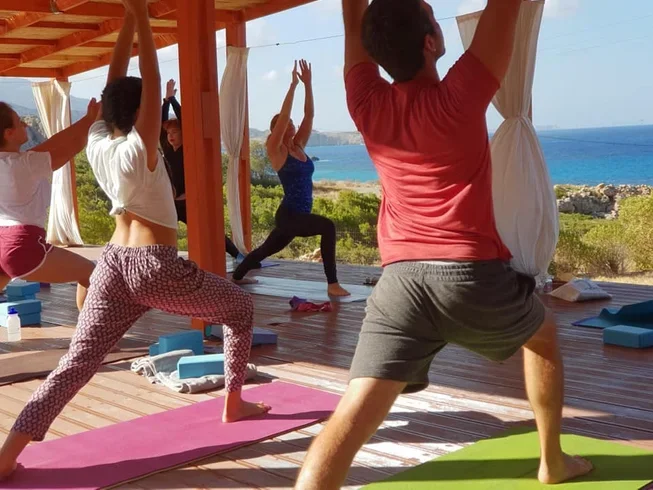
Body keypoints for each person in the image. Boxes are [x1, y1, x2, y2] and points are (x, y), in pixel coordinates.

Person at [294, 0, 594, 488]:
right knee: (542, 337)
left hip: (399, 284)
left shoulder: (365, 101)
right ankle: (553, 462)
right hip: (470, 277)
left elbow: (352, 20)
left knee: (349, 418)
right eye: (432, 14)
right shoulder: (459, 93)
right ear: (431, 42)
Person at [0, 0, 269, 480]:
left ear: (108, 112)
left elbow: (115, 81)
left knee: (76, 363)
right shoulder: (138, 148)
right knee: (240, 309)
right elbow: (145, 73)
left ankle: (7, 453)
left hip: (112, 264)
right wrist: (143, 18)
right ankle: (234, 402)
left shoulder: (99, 142)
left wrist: (128, 20)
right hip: (154, 265)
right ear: (145, 112)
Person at [231, 60, 350, 297]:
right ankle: (333, 284)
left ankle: (236, 277)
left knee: (265, 250)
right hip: (290, 215)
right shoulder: (277, 150)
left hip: (297, 215)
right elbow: (285, 115)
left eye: (291, 123)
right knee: (327, 226)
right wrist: (293, 86)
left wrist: (308, 84)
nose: (291, 124)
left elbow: (309, 114)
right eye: (285, 124)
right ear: (276, 129)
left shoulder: (299, 146)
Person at [0, 101, 98, 312]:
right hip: (21, 245)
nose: (26, 124)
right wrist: (93, 121)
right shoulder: (26, 163)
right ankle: (91, 330)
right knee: (92, 273)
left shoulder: (15, 161)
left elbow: (53, 142)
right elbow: (74, 145)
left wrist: (87, 119)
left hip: (2, 242)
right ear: (9, 133)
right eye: (19, 122)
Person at [160, 79, 245, 262]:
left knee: (209, 228)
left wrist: (173, 100)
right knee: (161, 229)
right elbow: (161, 124)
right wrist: (165, 101)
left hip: (188, 200)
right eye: (169, 133)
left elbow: (185, 119)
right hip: (171, 201)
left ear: (183, 133)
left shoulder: (187, 148)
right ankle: (164, 261)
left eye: (175, 132)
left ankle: (237, 255)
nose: (170, 136)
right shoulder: (167, 149)